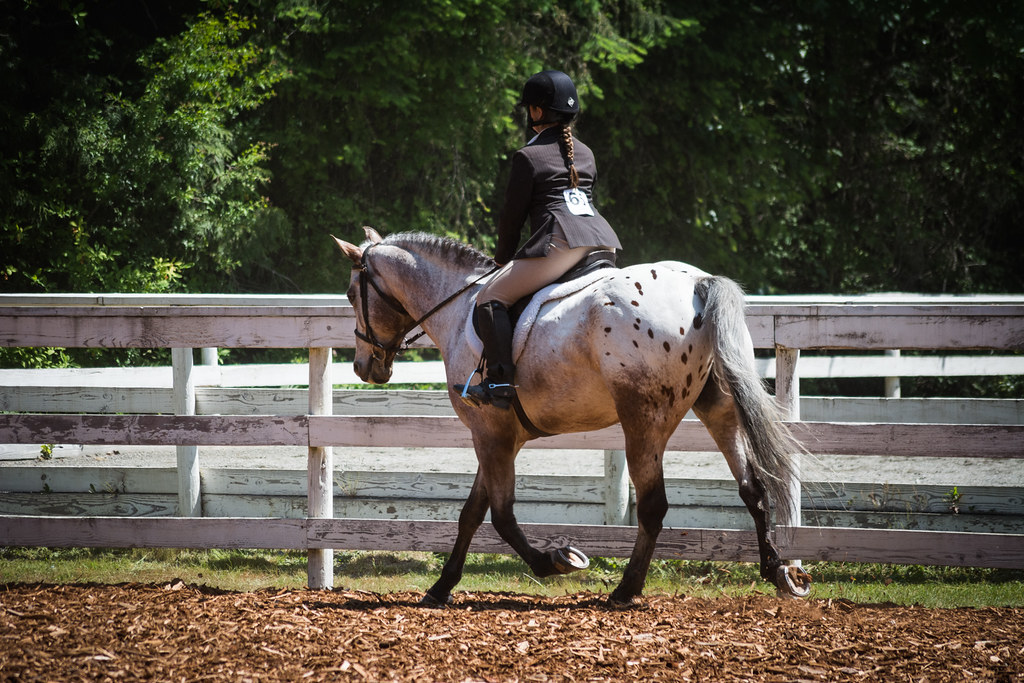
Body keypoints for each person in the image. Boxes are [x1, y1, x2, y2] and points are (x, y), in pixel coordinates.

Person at [456, 69, 622, 410]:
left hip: (562, 243)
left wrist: (502, 260)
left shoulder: (527, 157)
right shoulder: (587, 152)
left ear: (535, 111)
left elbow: (511, 217)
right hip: (602, 242)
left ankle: (500, 381)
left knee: (489, 299)